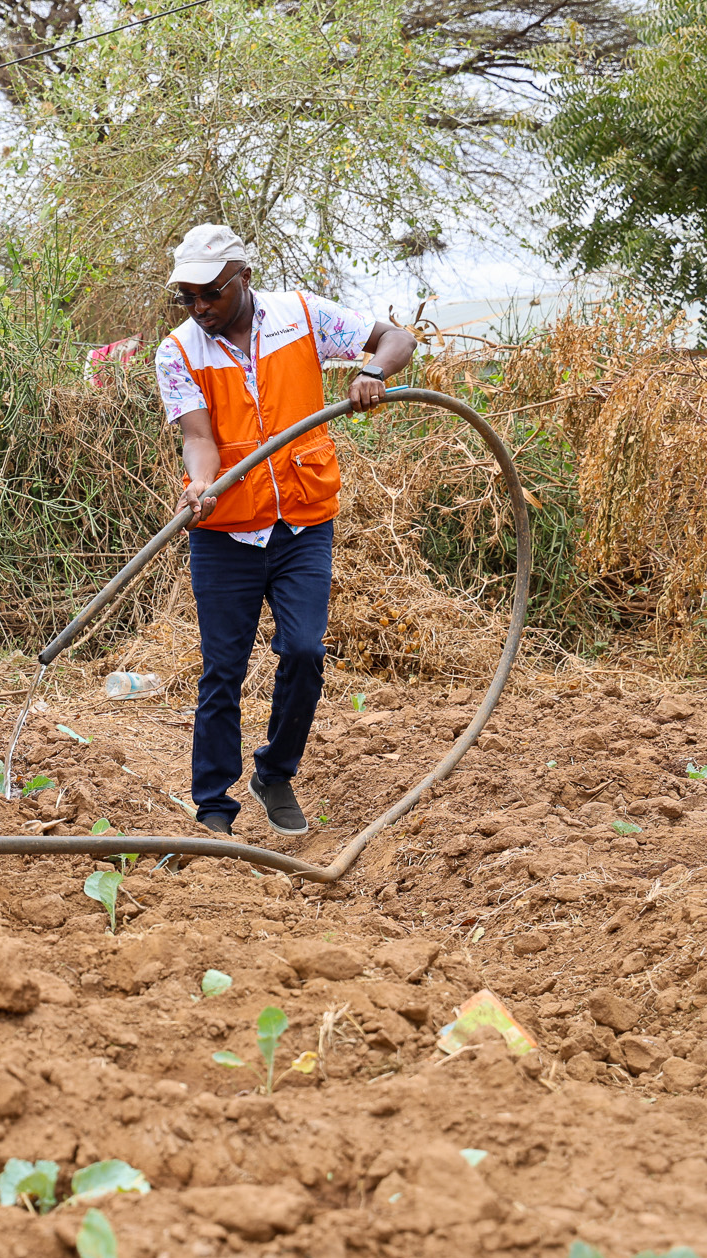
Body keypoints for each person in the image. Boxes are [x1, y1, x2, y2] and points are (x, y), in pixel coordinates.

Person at [153, 224, 416, 837]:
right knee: (224, 669)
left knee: (303, 651)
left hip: (303, 522)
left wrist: (373, 371)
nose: (199, 308)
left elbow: (396, 337)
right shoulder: (180, 350)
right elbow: (198, 438)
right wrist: (200, 484)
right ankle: (214, 810)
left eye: (210, 294)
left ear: (242, 279)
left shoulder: (300, 316)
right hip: (226, 534)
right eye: (187, 297)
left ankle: (274, 772)